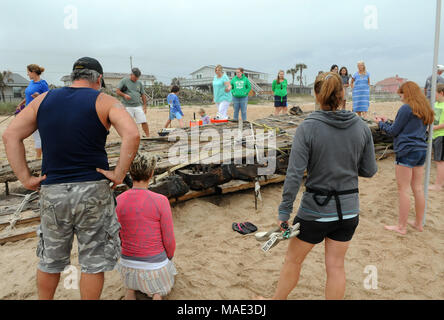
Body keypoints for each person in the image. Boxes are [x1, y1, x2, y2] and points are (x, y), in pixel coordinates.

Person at [2, 57, 140, 300]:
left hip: (54, 189)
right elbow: (132, 134)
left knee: (50, 259)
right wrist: (118, 174)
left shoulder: (44, 100)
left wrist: (25, 178)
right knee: (93, 261)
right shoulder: (104, 100)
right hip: (93, 189)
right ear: (98, 79)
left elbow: (10, 135)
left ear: (73, 77)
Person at [260, 72, 377, 300]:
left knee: (293, 260)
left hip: (316, 211)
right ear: (343, 94)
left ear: (316, 94)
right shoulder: (361, 126)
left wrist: (284, 212)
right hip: (349, 210)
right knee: (336, 267)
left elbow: (294, 174)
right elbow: (370, 170)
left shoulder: (308, 127)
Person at [375, 81, 434, 234]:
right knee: (418, 188)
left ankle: (401, 227)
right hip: (421, 149)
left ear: (406, 93)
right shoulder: (424, 108)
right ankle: (418, 223)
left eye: (401, 94)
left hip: (407, 150)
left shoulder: (406, 108)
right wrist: (387, 121)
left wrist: (381, 124)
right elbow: (406, 126)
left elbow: (394, 131)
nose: (400, 97)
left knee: (403, 189)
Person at [116, 153, 177, 300]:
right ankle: (156, 295)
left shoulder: (119, 200)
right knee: (159, 287)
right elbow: (169, 240)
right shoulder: (160, 201)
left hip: (127, 265)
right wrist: (168, 258)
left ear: (130, 173)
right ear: (151, 173)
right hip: (154, 268)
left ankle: (130, 291)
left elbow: (119, 235)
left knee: (131, 285)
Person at [16, 64, 49, 159]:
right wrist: (21, 104)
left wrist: (39, 96)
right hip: (28, 111)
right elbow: (28, 96)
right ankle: (39, 156)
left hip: (38, 112)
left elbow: (48, 98)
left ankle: (38, 158)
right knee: (33, 135)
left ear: (33, 72)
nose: (27, 74)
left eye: (28, 72)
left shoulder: (42, 84)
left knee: (37, 135)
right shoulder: (31, 83)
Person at [116, 68, 150, 137]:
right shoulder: (124, 81)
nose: (136, 79)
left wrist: (145, 106)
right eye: (135, 77)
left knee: (144, 121)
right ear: (131, 74)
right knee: (128, 123)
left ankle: (148, 136)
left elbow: (143, 95)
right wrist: (124, 95)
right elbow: (117, 91)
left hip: (138, 106)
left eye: (138, 77)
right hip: (127, 106)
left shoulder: (139, 83)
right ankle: (128, 136)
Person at [429, 84, 444, 191]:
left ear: (441, 93)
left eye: (436, 93)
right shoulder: (435, 104)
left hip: (441, 135)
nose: (434, 96)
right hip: (434, 135)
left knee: (440, 161)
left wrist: (433, 128)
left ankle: (438, 185)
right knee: (438, 160)